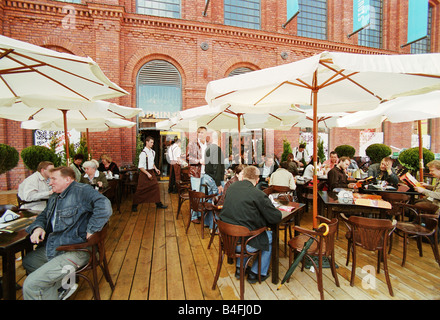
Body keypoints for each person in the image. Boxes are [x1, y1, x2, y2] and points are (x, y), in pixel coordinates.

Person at [22, 166, 112, 300]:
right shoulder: (54, 196)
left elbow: (105, 205)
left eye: (53, 179)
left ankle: (58, 287)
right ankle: (61, 288)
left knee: (32, 285)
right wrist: (38, 227)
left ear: (67, 180)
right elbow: (44, 215)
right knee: (29, 261)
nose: (50, 182)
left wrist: (92, 229)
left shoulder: (81, 190)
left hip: (77, 250)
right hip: (58, 247)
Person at [220, 166, 282, 283]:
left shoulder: (231, 187)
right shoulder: (257, 194)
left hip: (227, 240)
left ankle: (240, 268)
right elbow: (275, 217)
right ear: (257, 180)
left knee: (244, 229)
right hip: (244, 244)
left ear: (243, 176)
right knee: (270, 235)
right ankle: (256, 272)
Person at [132, 136, 167, 211]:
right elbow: (140, 167)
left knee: (156, 187)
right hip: (144, 173)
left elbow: (152, 163)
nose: (152, 144)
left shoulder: (152, 152)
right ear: (146, 142)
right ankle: (134, 205)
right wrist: (147, 174)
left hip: (151, 172)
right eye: (151, 142)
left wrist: (156, 169)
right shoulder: (143, 153)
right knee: (140, 190)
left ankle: (158, 204)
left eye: (153, 143)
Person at [202, 131, 225, 230]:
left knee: (210, 202)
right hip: (214, 179)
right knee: (217, 203)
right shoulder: (217, 149)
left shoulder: (208, 149)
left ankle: (207, 223)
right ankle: (214, 227)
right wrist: (219, 183)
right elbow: (216, 167)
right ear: (220, 139)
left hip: (207, 177)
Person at [187, 126, 208, 223]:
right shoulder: (192, 144)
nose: (202, 134)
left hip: (205, 172)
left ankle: (200, 213)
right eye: (200, 132)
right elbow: (188, 158)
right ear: (197, 134)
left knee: (202, 194)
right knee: (195, 195)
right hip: (195, 173)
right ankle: (193, 216)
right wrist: (199, 161)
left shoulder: (207, 145)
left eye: (204, 132)